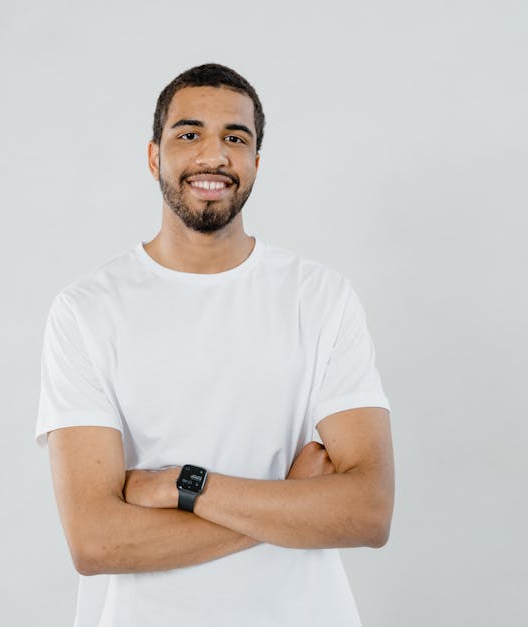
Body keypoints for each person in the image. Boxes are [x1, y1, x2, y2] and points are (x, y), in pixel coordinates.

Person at [35, 63, 394, 627]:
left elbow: (368, 511)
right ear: (154, 157)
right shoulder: (86, 311)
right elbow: (97, 541)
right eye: (188, 134)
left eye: (236, 138)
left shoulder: (320, 297)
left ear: (256, 163)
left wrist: (183, 485)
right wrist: (289, 502)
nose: (214, 155)